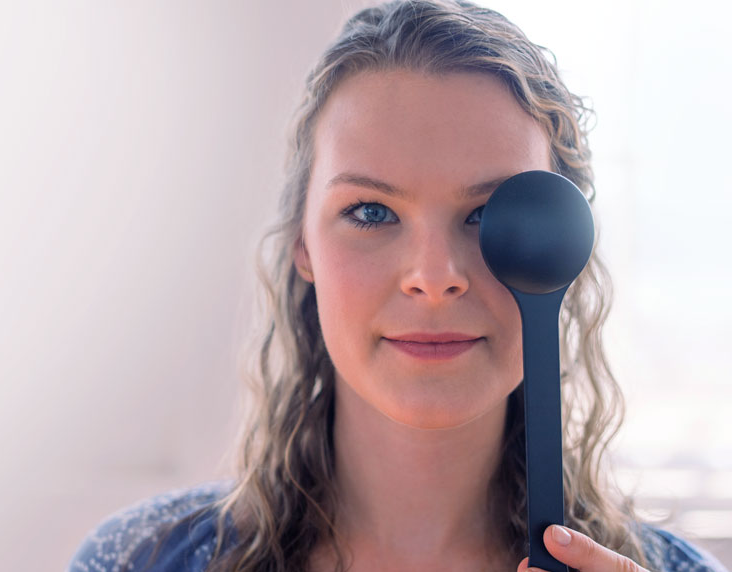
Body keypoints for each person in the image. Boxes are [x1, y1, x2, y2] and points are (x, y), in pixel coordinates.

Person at [68, 1, 729, 571]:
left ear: (567, 247)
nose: (434, 279)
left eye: (487, 215)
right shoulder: (136, 560)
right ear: (302, 244)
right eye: (371, 212)